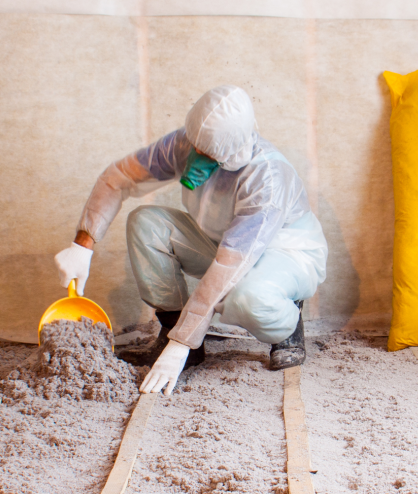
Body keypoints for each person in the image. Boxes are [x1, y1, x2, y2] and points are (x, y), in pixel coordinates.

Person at [54, 85, 327, 396]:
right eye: (195, 145)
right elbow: (118, 177)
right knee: (146, 222)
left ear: (229, 151)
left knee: (251, 300)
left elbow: (230, 263)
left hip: (284, 255)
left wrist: (183, 341)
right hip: (221, 240)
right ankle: (172, 326)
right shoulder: (186, 143)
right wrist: (83, 244)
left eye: (207, 153)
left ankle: (288, 320)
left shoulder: (266, 177)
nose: (194, 156)